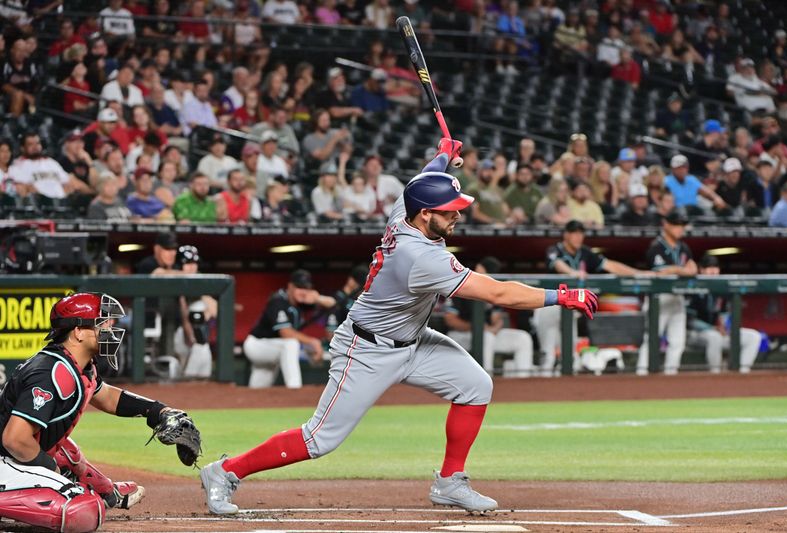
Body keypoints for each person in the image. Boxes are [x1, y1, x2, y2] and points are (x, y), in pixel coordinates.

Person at [200, 138, 597, 515]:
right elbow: (498, 294)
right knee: (318, 439)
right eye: (450, 210)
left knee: (476, 386)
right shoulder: (421, 256)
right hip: (367, 350)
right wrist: (560, 296)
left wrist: (442, 157)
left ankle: (449, 482)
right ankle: (225, 471)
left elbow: (418, 182)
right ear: (426, 214)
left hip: (413, 339)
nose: (458, 214)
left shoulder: (404, 211)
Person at [0, 292, 200, 532]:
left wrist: (158, 411)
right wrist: (52, 470)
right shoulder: (50, 373)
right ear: (78, 332)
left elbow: (107, 397)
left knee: (66, 450)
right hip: (6, 459)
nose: (110, 327)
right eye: (101, 323)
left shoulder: (78, 367)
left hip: (10, 458)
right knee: (83, 510)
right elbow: (15, 439)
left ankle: (103, 490)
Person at [535, 220, 648, 376]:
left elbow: (610, 266)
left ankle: (564, 394)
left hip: (569, 308)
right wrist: (571, 273)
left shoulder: (585, 253)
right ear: (566, 235)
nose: (578, 237)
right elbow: (558, 264)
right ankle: (541, 392)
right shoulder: (555, 249)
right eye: (574, 233)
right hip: (549, 305)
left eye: (581, 233)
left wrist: (639, 273)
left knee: (570, 355)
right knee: (548, 354)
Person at [243, 269, 335, 389]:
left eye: (306, 288)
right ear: (290, 286)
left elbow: (332, 303)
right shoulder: (278, 300)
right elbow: (285, 332)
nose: (303, 292)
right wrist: (313, 342)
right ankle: (294, 388)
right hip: (257, 345)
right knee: (291, 344)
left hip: (273, 348)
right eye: (299, 287)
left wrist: (317, 298)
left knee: (258, 390)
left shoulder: (300, 302)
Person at [444, 257, 535, 377]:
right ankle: (486, 379)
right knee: (486, 337)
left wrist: (493, 328)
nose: (478, 272)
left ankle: (524, 382)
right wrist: (477, 328)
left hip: (487, 334)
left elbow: (497, 319)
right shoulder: (460, 287)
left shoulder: (493, 290)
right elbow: (450, 320)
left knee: (523, 338)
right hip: (460, 335)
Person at [636, 210, 698, 376]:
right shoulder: (656, 247)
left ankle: (671, 375)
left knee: (678, 341)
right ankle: (642, 373)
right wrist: (680, 269)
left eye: (682, 225)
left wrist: (676, 270)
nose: (680, 229)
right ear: (666, 225)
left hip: (677, 298)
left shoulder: (683, 247)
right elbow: (660, 272)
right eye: (677, 225)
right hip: (659, 298)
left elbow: (693, 269)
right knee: (652, 340)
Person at [687, 254, 762, 374]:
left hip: (718, 332)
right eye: (709, 267)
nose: (713, 271)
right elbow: (690, 321)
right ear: (701, 270)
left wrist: (725, 326)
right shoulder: (693, 288)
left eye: (715, 267)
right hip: (695, 335)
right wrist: (713, 328)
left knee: (754, 336)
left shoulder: (722, 289)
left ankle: (741, 372)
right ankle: (716, 374)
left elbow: (724, 314)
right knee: (714, 337)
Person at [173, 245, 216, 379]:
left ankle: (196, 384)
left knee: (202, 349)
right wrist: (191, 336)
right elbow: (184, 315)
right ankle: (189, 380)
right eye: (187, 263)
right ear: (179, 266)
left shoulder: (199, 280)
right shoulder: (174, 280)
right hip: (176, 334)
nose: (192, 267)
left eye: (194, 263)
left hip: (195, 336)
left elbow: (214, 309)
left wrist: (204, 315)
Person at [325, 265, 370, 337]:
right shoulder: (337, 299)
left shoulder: (355, 300)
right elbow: (330, 333)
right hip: (340, 345)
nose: (362, 290)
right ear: (351, 280)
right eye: (360, 286)